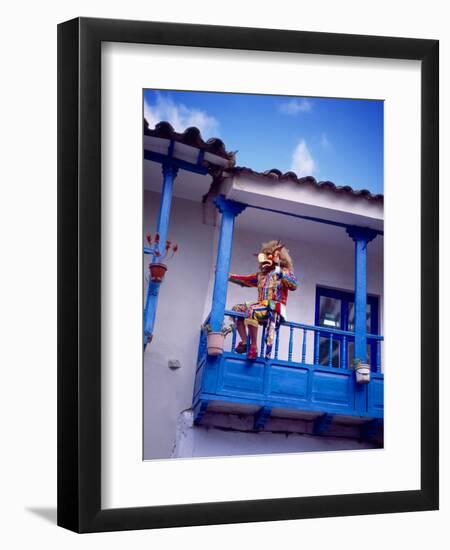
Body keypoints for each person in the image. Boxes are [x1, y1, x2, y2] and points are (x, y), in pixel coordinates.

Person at [228, 240, 298, 360]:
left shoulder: (284, 272)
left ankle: (254, 347)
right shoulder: (261, 276)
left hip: (274, 307)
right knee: (237, 309)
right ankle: (245, 342)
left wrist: (279, 270)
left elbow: (294, 285)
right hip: (261, 305)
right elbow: (244, 280)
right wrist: (228, 276)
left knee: (252, 310)